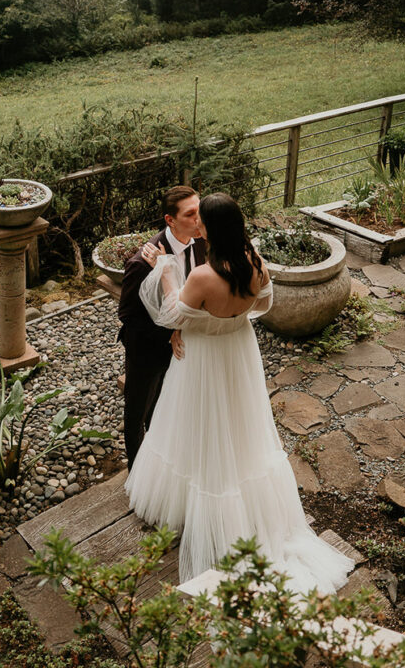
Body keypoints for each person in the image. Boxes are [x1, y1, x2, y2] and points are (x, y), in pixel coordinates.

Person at [125, 192, 354, 591]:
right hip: (238, 352)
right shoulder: (256, 264)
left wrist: (164, 270)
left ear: (212, 228)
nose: (197, 225)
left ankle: (207, 516)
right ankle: (243, 508)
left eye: (202, 220)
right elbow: (262, 304)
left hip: (204, 360)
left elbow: (171, 313)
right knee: (239, 425)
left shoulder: (201, 277)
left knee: (195, 423)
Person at [117, 185, 206, 469]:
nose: (198, 219)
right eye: (190, 214)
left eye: (199, 211)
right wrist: (171, 332)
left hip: (186, 347)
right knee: (137, 413)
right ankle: (136, 473)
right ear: (170, 220)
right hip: (148, 350)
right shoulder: (142, 263)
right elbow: (128, 316)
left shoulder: (203, 242)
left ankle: (162, 467)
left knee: (167, 407)